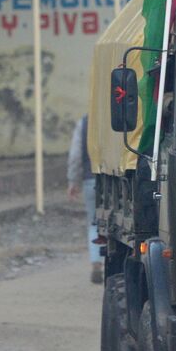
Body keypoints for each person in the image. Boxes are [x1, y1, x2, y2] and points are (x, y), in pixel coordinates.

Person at [67, 114, 102, 284]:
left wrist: (74, 181)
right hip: (116, 179)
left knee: (94, 223)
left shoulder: (85, 122)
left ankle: (96, 262)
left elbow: (75, 155)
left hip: (90, 181)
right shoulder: (117, 117)